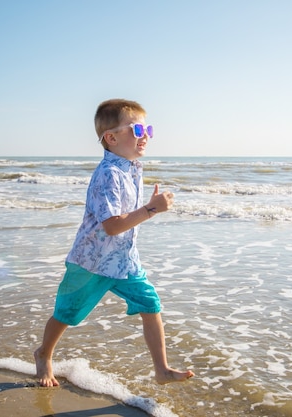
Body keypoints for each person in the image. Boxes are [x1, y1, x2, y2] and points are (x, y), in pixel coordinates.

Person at [34, 98, 195, 387]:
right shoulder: (109, 174)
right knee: (67, 313)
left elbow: (123, 222)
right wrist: (151, 209)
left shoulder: (132, 168)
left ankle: (162, 369)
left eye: (148, 129)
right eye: (137, 129)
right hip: (93, 262)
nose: (145, 136)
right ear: (111, 137)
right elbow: (111, 226)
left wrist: (148, 208)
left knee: (151, 305)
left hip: (125, 260)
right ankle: (44, 354)